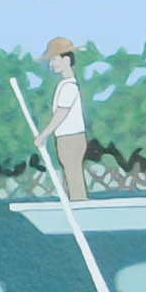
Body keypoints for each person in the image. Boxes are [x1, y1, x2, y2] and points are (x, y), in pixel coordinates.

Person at [40, 33, 90, 206]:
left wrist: (43, 135)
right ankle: (74, 203)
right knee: (69, 173)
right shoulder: (65, 85)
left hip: (71, 138)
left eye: (54, 59)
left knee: (72, 173)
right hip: (66, 137)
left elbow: (60, 115)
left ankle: (79, 204)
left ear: (67, 60)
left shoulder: (69, 87)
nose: (52, 64)